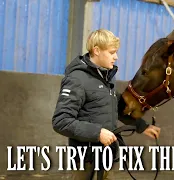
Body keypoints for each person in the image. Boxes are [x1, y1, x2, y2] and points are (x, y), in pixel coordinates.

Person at [52, 29, 161, 180]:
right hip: (86, 159)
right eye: (112, 52)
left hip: (106, 156)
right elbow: (61, 121)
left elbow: (116, 107)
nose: (116, 57)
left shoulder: (107, 77)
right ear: (96, 51)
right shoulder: (77, 79)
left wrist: (142, 126)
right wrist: (98, 133)